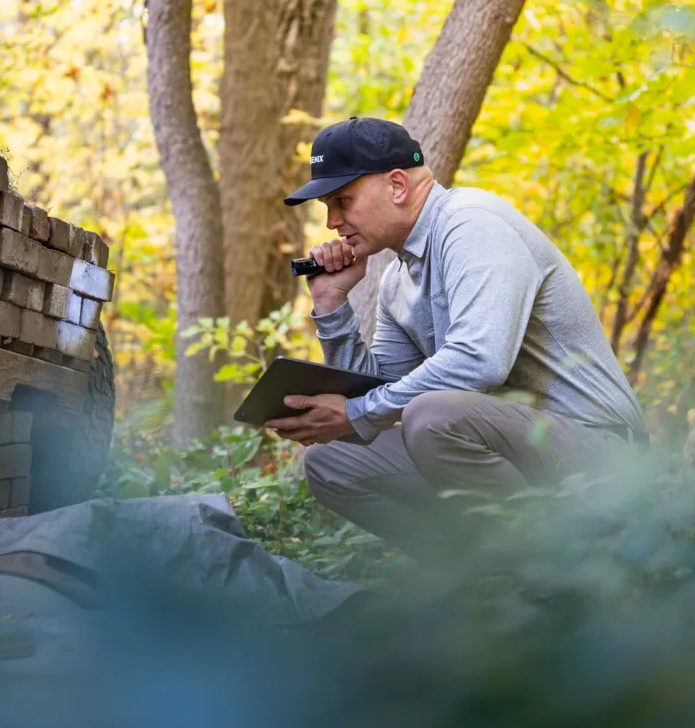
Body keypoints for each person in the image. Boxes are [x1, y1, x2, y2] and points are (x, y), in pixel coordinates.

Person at [265, 116, 648, 561]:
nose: (332, 222)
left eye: (343, 201)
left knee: (432, 415)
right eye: (327, 207)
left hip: (600, 453)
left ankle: (549, 572)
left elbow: (479, 361)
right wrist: (331, 304)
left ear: (396, 185)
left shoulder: (473, 225)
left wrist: (356, 412)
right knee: (332, 461)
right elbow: (380, 393)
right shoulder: (397, 280)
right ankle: (471, 579)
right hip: (512, 453)